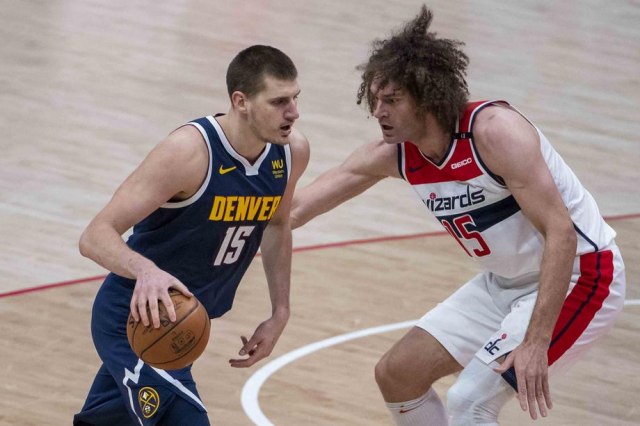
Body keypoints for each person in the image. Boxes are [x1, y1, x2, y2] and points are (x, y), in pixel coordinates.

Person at [290, 6, 625, 425]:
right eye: (374, 99)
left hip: (580, 275)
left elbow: (561, 231)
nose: (377, 111)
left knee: (470, 401)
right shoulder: (395, 155)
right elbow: (295, 210)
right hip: (504, 284)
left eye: (392, 100)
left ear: (427, 97)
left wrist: (537, 340)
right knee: (397, 374)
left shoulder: (494, 133)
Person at [74, 45, 309, 425]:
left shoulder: (291, 151)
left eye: (295, 98)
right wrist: (146, 270)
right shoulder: (188, 152)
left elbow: (278, 224)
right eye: (279, 101)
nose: (293, 112)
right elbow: (94, 235)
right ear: (241, 102)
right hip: (134, 319)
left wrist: (280, 311)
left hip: (182, 322)